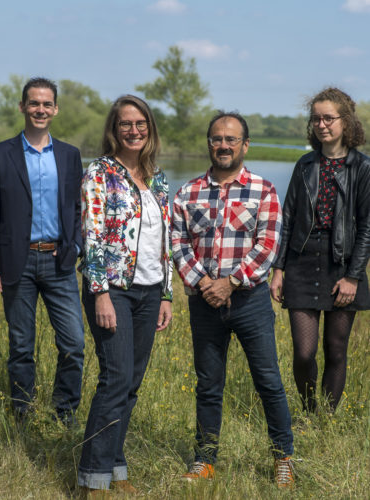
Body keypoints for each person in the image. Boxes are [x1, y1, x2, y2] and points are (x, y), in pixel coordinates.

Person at [172, 112, 295, 488]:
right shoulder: (187, 193)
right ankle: (205, 459)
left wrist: (231, 282)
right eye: (216, 139)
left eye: (231, 139)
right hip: (203, 302)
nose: (223, 145)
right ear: (208, 143)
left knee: (268, 381)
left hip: (250, 302)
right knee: (208, 384)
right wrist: (204, 283)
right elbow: (177, 243)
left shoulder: (264, 190)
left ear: (245, 144)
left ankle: (283, 457)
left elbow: (268, 245)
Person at [78, 95, 173, 495]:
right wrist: (99, 293)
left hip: (150, 292)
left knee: (132, 383)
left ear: (149, 129)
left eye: (140, 124)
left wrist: (167, 293)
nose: (133, 131)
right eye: (125, 125)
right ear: (113, 130)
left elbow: (166, 240)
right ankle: (92, 479)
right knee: (115, 379)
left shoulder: (159, 179)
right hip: (113, 290)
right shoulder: (99, 173)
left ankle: (115, 468)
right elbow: (92, 236)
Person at [0, 77, 85, 425]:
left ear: (55, 109)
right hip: (16, 262)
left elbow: (78, 209)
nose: (41, 109)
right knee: (21, 346)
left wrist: (77, 246)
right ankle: (21, 413)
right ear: (23, 107)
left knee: (73, 343)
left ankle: (64, 414)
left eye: (47, 104)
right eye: (34, 103)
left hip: (59, 261)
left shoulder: (70, 155)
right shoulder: (0, 154)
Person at [270, 87, 370, 413]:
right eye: (316, 118)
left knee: (336, 350)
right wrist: (279, 269)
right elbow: (287, 219)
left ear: (346, 121)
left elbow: (368, 227)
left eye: (329, 117)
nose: (321, 124)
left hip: (343, 263)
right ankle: (310, 410)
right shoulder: (304, 165)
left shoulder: (363, 168)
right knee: (303, 352)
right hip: (301, 261)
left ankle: (324, 422)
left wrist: (354, 277)